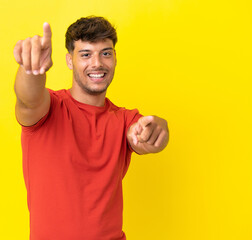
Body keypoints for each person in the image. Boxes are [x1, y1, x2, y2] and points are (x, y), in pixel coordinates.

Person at [13, 16, 169, 240]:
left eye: (105, 53)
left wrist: (157, 130)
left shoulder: (125, 119)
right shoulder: (48, 109)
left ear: (115, 58)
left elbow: (146, 135)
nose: (97, 63)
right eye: (86, 54)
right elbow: (28, 99)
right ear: (69, 61)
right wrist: (31, 70)